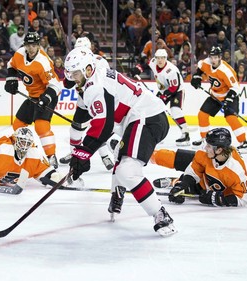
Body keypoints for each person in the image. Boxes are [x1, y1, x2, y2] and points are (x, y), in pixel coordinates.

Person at [64, 47, 177, 237]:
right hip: (141, 116)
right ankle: (118, 193)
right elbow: (85, 112)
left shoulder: (95, 88)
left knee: (127, 170)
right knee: (120, 155)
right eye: (69, 73)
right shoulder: (97, 67)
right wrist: (80, 152)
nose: (71, 78)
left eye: (75, 73)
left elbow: (104, 125)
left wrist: (83, 152)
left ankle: (160, 214)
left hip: (146, 117)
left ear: (88, 70)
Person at [4, 32, 62, 169]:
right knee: (18, 125)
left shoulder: (43, 62)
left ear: (38, 46)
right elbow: (11, 65)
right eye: (29, 45)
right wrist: (11, 79)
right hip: (32, 96)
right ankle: (30, 151)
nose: (31, 48)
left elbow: (56, 86)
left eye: (34, 45)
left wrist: (45, 99)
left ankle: (51, 157)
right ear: (25, 45)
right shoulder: (19, 54)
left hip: (47, 96)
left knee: (41, 126)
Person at [151, 128, 247, 207]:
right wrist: (183, 185)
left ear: (219, 150)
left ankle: (175, 181)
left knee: (193, 189)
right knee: (177, 158)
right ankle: (177, 181)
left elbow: (243, 199)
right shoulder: (205, 153)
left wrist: (218, 199)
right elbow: (193, 171)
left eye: (209, 146)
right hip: (205, 175)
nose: (205, 148)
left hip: (212, 187)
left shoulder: (236, 170)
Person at [59, 36, 115, 171]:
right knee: (75, 130)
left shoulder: (100, 61)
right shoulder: (76, 62)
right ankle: (74, 154)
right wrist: (72, 70)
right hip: (84, 104)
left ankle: (105, 155)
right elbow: (67, 84)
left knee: (101, 129)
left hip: (98, 100)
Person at [190, 46, 247, 154]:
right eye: (211, 57)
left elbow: (235, 87)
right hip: (215, 95)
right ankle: (205, 140)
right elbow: (200, 68)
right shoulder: (207, 63)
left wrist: (228, 100)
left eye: (215, 57)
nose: (213, 60)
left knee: (231, 118)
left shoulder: (226, 71)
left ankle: (244, 143)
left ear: (220, 57)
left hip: (229, 95)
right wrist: (196, 77)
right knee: (202, 114)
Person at [134, 49, 190, 146]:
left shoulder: (171, 70)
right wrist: (138, 69)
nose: (160, 60)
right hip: (163, 91)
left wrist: (165, 96)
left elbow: (174, 87)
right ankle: (157, 134)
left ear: (166, 58)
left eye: (162, 58)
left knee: (175, 110)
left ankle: (185, 134)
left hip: (177, 91)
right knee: (154, 110)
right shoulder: (153, 62)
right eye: (158, 58)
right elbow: (145, 65)